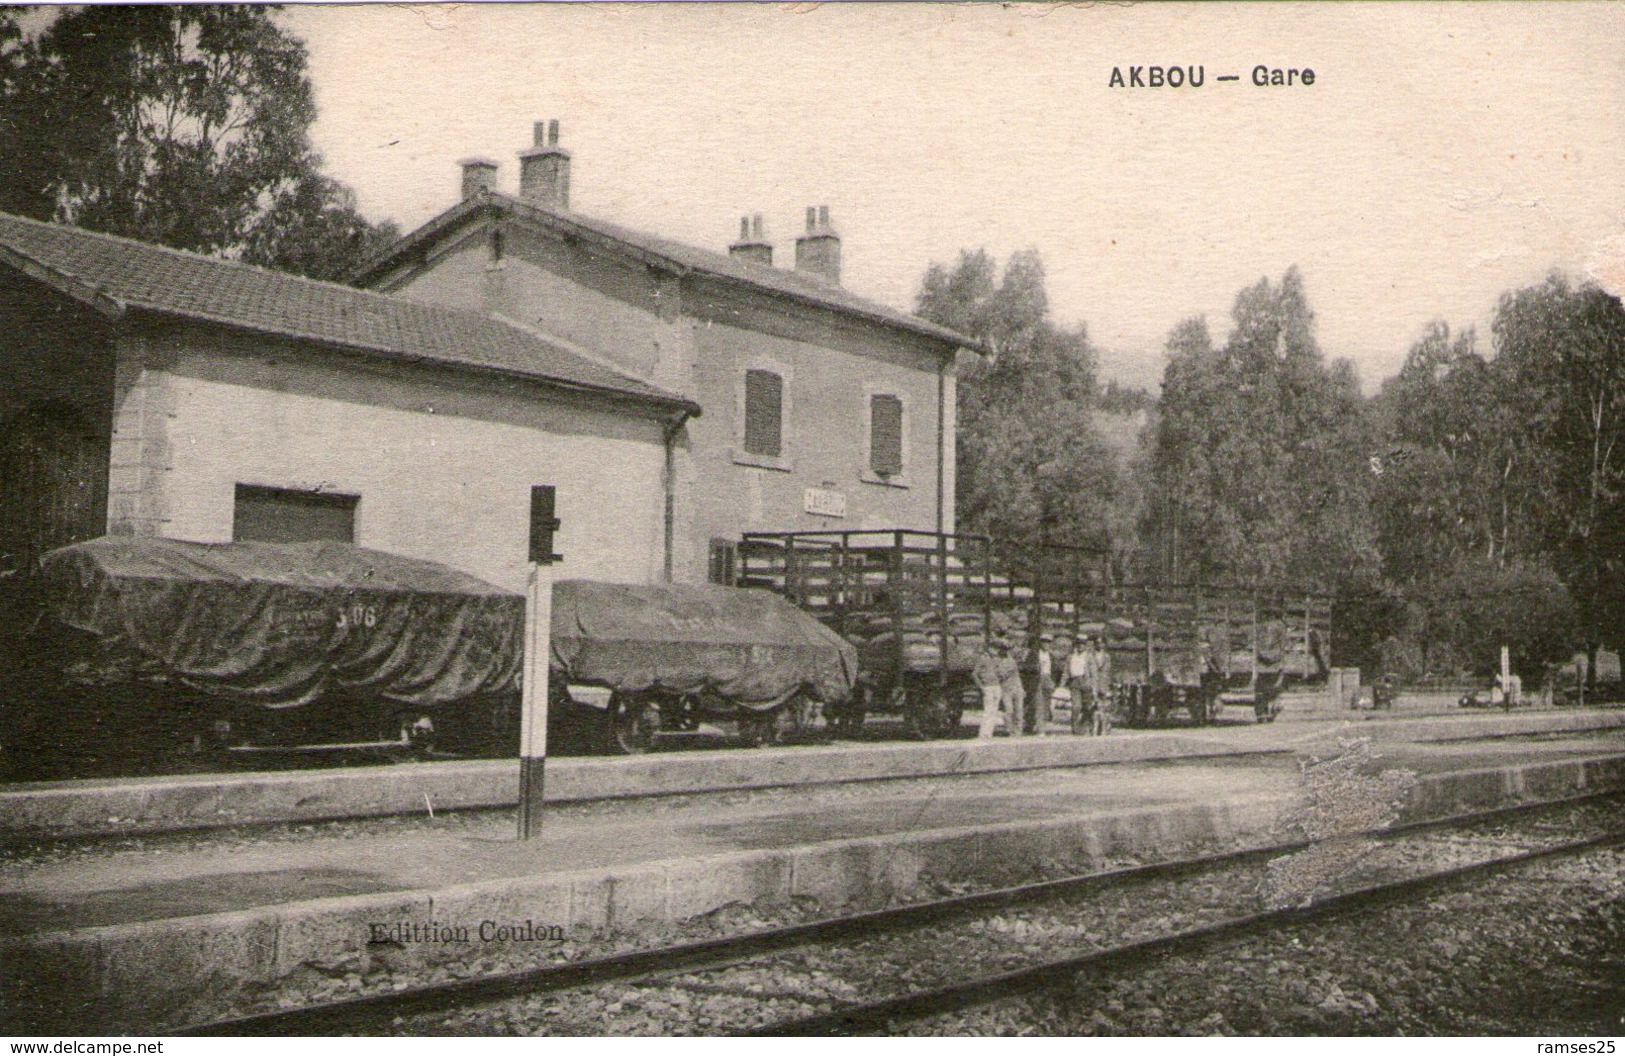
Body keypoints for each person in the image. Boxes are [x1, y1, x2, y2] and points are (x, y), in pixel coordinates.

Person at [973, 637, 1021, 739]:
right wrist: (981, 687)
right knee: (988, 710)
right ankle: (983, 733)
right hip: (988, 687)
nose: (995, 650)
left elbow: (1004, 669)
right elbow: (975, 674)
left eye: (996, 648)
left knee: (994, 711)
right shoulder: (983, 659)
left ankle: (989, 733)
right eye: (993, 648)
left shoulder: (997, 660)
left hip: (997, 686)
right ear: (989, 648)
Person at [1030, 633, 1057, 735]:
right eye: (1044, 642)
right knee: (1039, 704)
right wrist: (1036, 668)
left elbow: (1055, 670)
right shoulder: (1034, 654)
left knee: (1047, 705)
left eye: (1048, 642)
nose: (1046, 644)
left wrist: (1053, 681)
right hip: (1038, 679)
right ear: (1041, 642)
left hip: (1048, 679)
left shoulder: (1051, 656)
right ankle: (1040, 730)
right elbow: (1028, 668)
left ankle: (1044, 727)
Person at [1067, 636, 1093, 735]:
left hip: (1085, 682)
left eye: (1082, 644)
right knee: (1076, 706)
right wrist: (1062, 684)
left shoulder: (1088, 656)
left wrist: (1093, 685)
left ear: (1085, 646)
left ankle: (1085, 726)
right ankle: (1075, 728)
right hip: (1074, 682)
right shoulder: (1071, 656)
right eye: (1078, 644)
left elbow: (1093, 672)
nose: (1080, 646)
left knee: (1087, 706)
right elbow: (1066, 671)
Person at [1089, 635, 1114, 736]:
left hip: (1104, 684)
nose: (1100, 645)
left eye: (1102, 643)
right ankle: (1093, 728)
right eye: (1098, 643)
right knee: (1094, 705)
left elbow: (1108, 672)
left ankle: (1105, 727)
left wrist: (1109, 685)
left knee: (1105, 706)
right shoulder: (1090, 656)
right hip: (1094, 682)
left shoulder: (1107, 657)